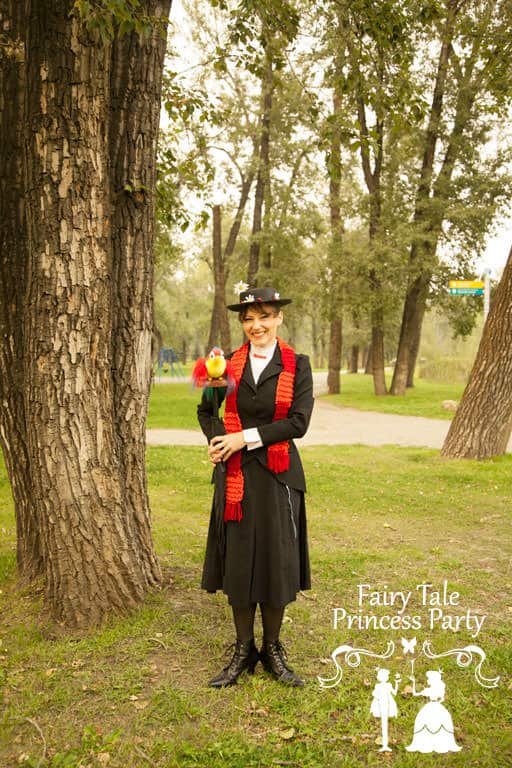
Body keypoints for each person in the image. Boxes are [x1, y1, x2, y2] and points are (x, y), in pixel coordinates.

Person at [197, 285, 314, 688]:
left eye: (263, 316)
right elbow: (206, 411)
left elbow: (298, 423)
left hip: (279, 476)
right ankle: (243, 650)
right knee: (241, 559)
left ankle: (274, 650)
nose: (255, 325)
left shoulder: (298, 364)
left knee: (276, 561)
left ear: (278, 317)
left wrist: (241, 438)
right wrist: (216, 440)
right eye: (247, 319)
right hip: (235, 477)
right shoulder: (224, 365)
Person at [406, 670, 462, 753]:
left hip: (433, 706)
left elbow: (415, 693)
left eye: (429, 679)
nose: (427, 680)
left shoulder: (432, 690)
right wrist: (413, 682)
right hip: (436, 706)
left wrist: (413, 682)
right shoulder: (430, 690)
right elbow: (415, 694)